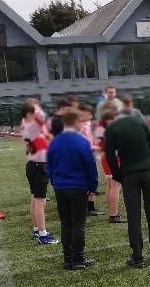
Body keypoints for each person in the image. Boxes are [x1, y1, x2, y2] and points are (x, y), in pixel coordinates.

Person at [104, 109, 150, 269]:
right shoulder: (141, 123)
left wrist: (118, 175)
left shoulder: (111, 129)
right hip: (148, 171)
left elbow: (110, 157)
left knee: (133, 216)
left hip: (129, 174)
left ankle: (138, 257)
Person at [47, 108, 99, 270]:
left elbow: (49, 166)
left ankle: (68, 257)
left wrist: (55, 183)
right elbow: (91, 166)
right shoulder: (81, 141)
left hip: (61, 187)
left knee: (66, 223)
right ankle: (78, 258)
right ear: (75, 122)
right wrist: (92, 187)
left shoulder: (54, 142)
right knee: (78, 224)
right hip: (77, 187)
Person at [21, 102, 59, 244]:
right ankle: (42, 235)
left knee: (35, 200)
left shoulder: (29, 125)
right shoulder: (33, 126)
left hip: (33, 164)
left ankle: (37, 229)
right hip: (39, 165)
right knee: (40, 202)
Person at [97, 109, 126, 224]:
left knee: (110, 185)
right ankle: (114, 215)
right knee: (115, 187)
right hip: (114, 158)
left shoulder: (101, 129)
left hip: (105, 157)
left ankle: (112, 211)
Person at [78, 104, 106, 217]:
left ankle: (89, 206)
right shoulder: (78, 126)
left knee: (93, 181)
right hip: (84, 157)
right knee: (89, 180)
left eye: (91, 113)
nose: (90, 115)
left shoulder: (89, 124)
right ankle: (88, 208)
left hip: (90, 155)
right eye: (88, 113)